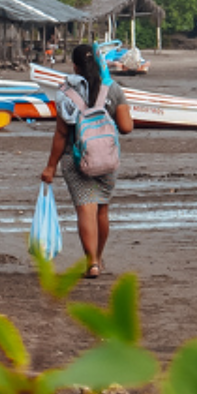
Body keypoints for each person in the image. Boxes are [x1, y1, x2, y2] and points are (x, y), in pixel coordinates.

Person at [41, 43, 135, 278]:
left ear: (75, 66)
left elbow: (61, 134)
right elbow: (126, 127)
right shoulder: (112, 88)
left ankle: (91, 262)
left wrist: (50, 166)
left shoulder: (67, 92)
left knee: (85, 209)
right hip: (107, 158)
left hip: (76, 159)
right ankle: (99, 259)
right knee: (102, 210)